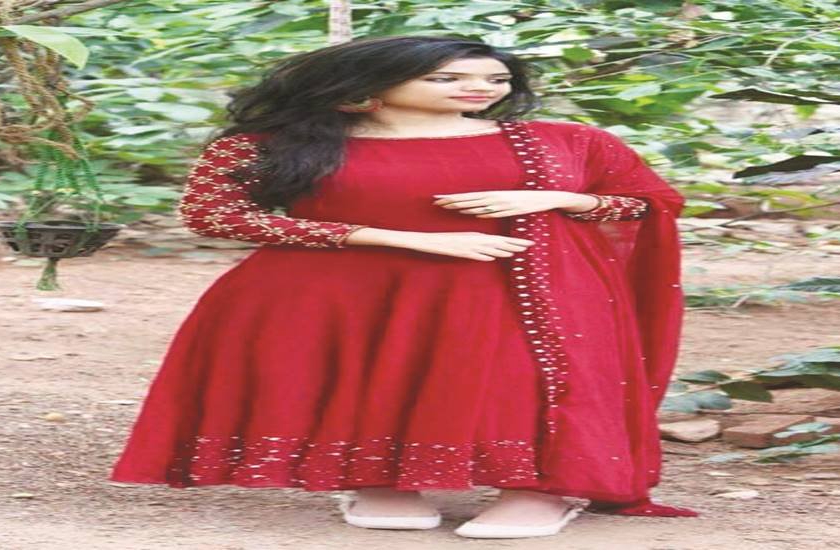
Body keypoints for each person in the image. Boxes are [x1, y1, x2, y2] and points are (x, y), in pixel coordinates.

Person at [110, 35, 698, 539]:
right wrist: (394, 237)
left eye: (495, 78)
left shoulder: (564, 141)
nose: (479, 88)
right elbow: (215, 216)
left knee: (516, 381)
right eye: (447, 78)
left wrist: (557, 198)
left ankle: (543, 490)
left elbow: (646, 202)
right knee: (372, 375)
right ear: (369, 85)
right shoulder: (274, 144)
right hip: (342, 289)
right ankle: (377, 479)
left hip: (516, 287)